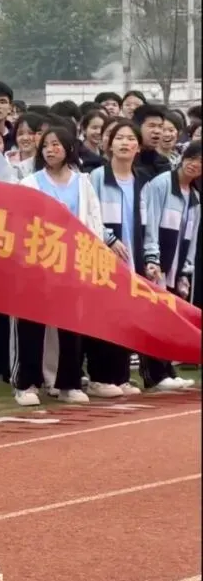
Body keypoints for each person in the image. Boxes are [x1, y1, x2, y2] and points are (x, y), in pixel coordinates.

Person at [14, 126, 105, 407]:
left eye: (55, 144)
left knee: (71, 327)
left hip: (73, 264)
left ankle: (69, 383)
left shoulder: (83, 183)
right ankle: (27, 384)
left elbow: (94, 221)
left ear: (68, 148)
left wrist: (94, 255)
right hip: (38, 264)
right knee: (32, 325)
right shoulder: (30, 183)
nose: (49, 150)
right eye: (45, 146)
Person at [86, 121, 148, 399]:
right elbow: (90, 216)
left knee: (127, 318)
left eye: (130, 138)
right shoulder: (96, 177)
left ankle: (121, 376)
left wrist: (151, 257)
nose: (125, 143)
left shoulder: (142, 181)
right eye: (119, 138)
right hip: (103, 258)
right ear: (109, 144)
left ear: (138, 147)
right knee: (104, 317)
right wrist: (109, 239)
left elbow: (149, 223)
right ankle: (99, 377)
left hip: (133, 261)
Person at [141, 141, 201, 391]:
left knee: (168, 320)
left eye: (200, 162)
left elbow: (192, 239)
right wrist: (151, 257)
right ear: (183, 157)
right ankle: (154, 373)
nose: (195, 165)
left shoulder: (195, 197)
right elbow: (150, 222)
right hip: (158, 265)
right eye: (192, 158)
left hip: (176, 270)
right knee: (154, 318)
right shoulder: (161, 184)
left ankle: (166, 369)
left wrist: (186, 271)